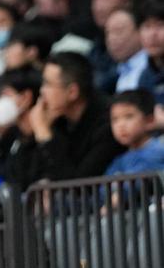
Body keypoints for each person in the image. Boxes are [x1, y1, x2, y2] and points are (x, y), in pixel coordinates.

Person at [30, 52, 124, 181]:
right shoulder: (59, 118)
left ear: (72, 92)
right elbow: (31, 177)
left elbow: (79, 183)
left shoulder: (108, 123)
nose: (42, 91)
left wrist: (44, 135)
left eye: (48, 84)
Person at [105, 89, 164, 176]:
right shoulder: (120, 160)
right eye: (115, 119)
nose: (121, 125)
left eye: (129, 117)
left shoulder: (158, 152)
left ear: (149, 120)